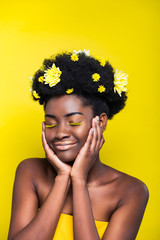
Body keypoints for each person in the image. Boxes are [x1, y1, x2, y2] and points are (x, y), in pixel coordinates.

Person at [8, 50, 149, 240]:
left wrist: (79, 180)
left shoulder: (131, 191)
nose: (60, 133)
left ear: (100, 123)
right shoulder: (31, 172)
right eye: (50, 123)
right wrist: (62, 179)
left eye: (73, 122)